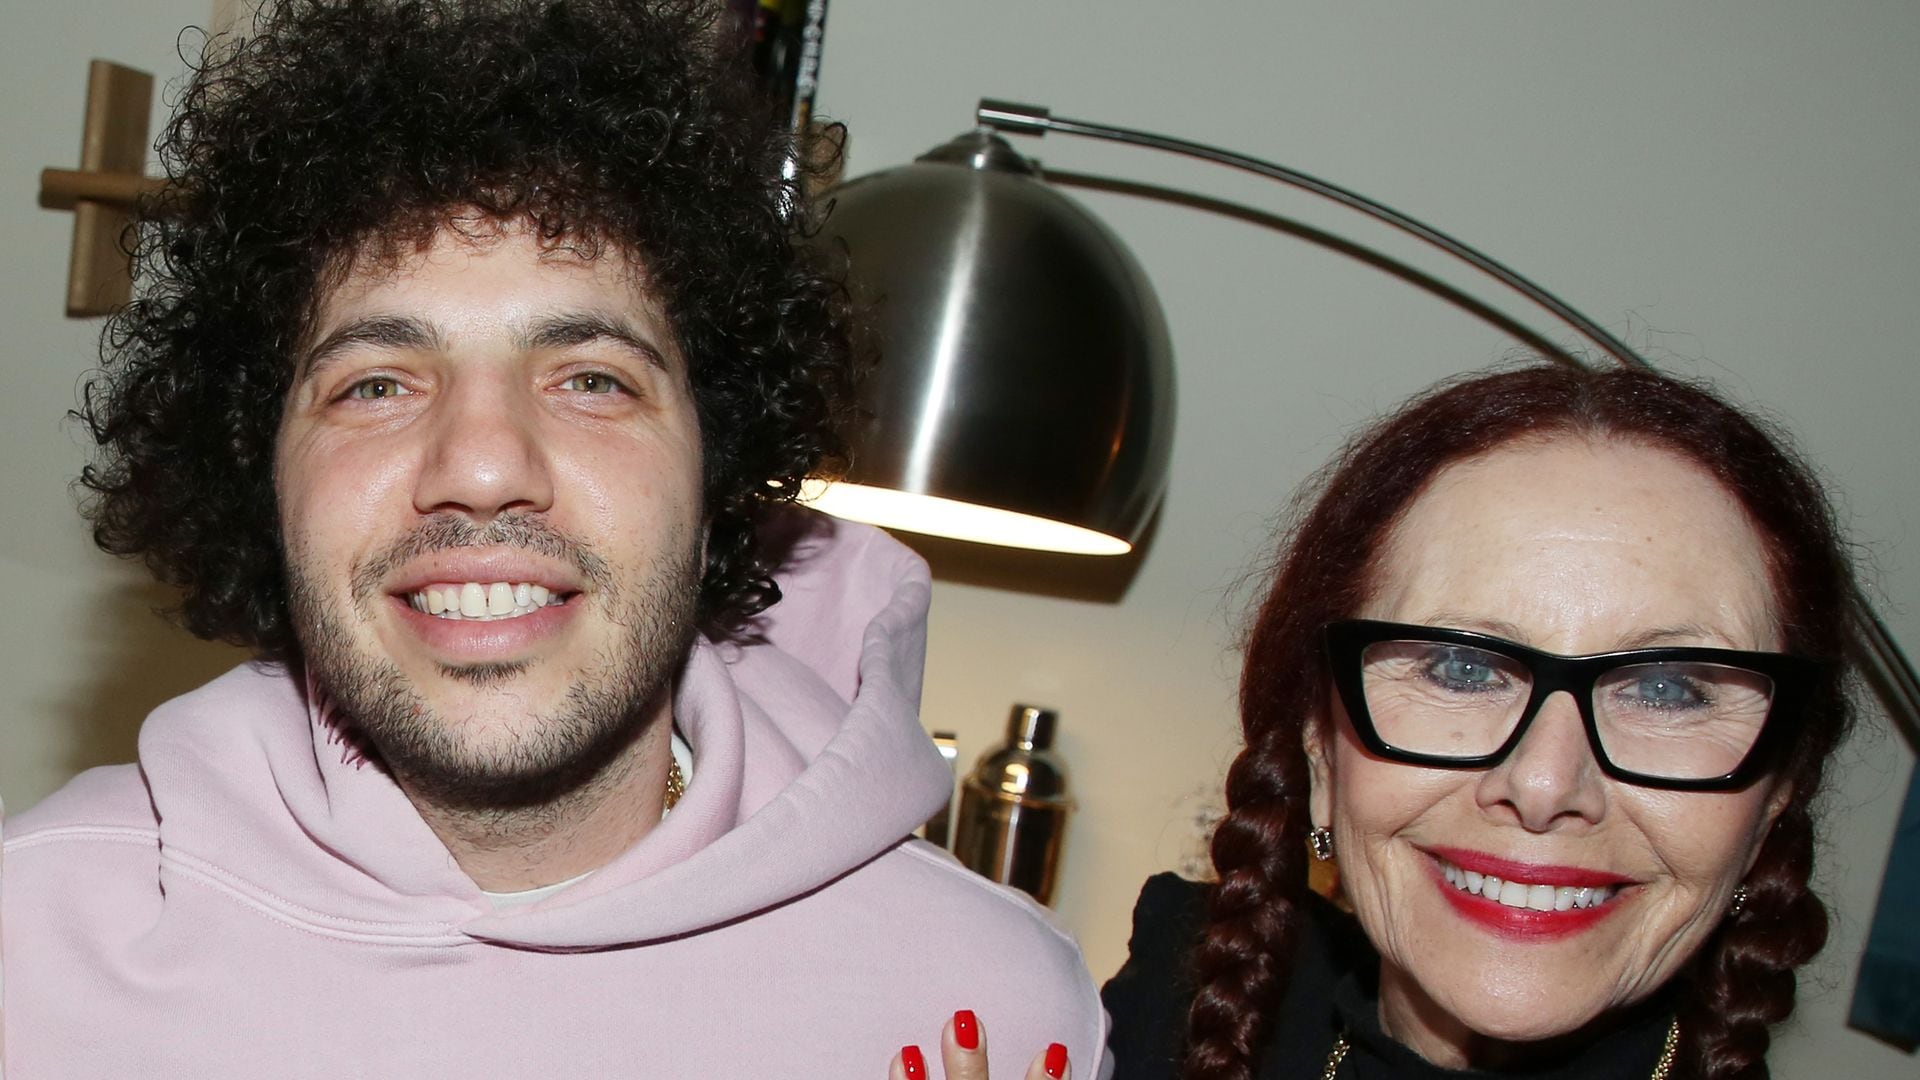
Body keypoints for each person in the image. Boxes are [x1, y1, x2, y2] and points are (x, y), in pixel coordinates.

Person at [0, 1, 1104, 1075]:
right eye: (376, 384)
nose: (483, 468)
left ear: (718, 472)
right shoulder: (32, 949)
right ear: (263, 477)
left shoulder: (982, 1006)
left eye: (591, 379)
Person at [1100, 362, 1855, 1079]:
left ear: (1774, 800)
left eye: (1668, 690)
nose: (1544, 783)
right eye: (1462, 669)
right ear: (1321, 751)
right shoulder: (1151, 1014)